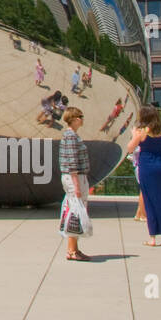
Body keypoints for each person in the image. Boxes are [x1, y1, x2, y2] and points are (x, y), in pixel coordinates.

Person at [126, 107, 161, 246]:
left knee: (150, 201)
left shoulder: (142, 132)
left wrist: (133, 134)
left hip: (148, 167)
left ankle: (153, 237)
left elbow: (130, 148)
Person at [58, 105, 93, 261]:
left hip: (76, 177)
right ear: (75, 119)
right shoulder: (71, 136)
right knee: (75, 212)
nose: (82, 119)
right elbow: (72, 162)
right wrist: (77, 185)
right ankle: (72, 250)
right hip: (75, 178)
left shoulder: (71, 135)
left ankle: (73, 248)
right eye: (81, 116)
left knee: (75, 210)